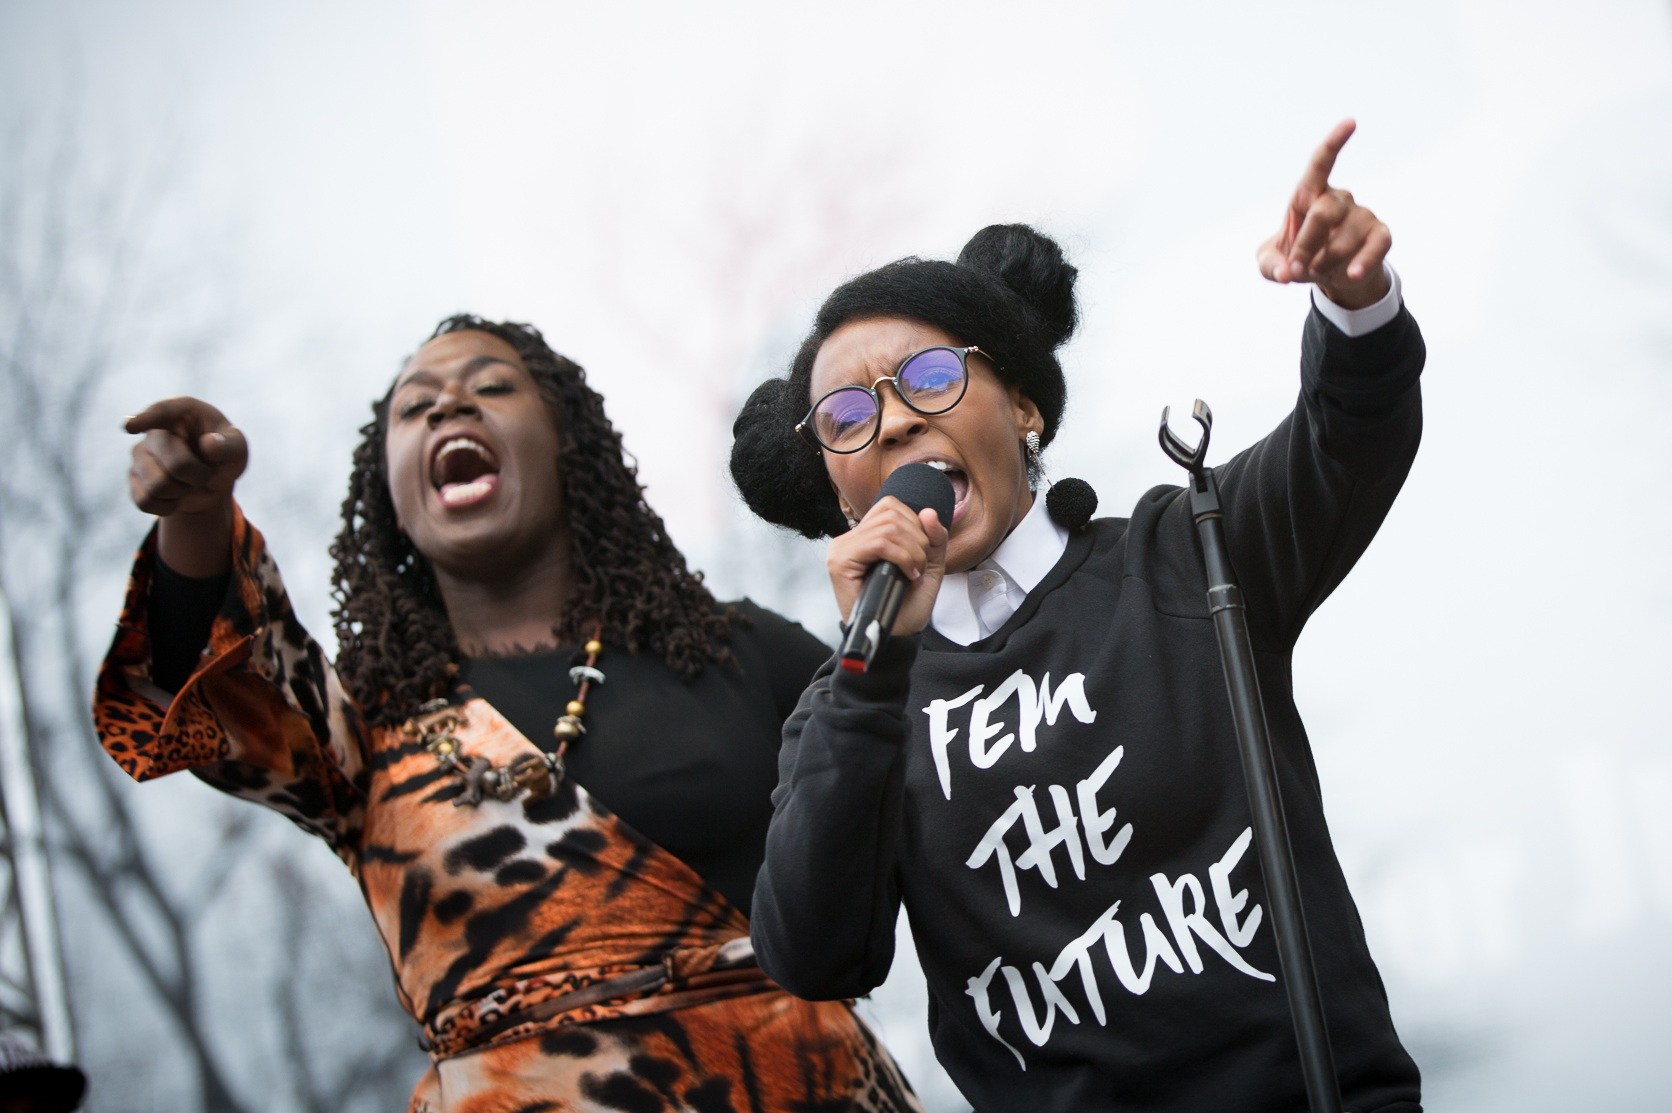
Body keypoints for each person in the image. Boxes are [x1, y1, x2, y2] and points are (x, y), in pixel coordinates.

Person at [731, 122, 1424, 1111]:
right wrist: (873, 670)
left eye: (928, 377)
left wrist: (1352, 299)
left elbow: (1348, 433)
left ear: (1024, 408)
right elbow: (812, 950)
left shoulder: (1184, 551)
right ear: (837, 492)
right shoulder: (847, 705)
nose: (890, 420)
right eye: (844, 416)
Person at [97, 316, 922, 1113]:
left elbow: (946, 800)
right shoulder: (365, 726)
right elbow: (207, 699)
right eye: (415, 407)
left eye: (491, 386)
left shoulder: (738, 649)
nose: (449, 407)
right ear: (387, 490)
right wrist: (196, 518)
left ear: (569, 444)